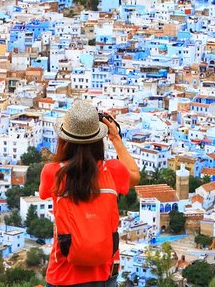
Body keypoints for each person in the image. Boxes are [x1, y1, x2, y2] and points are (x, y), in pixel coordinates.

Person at [39, 99, 140, 287]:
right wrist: (116, 137)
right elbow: (134, 175)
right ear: (98, 139)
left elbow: (44, 194)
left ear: (64, 139)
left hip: (63, 273)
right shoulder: (113, 170)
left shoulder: (53, 172)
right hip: (104, 274)